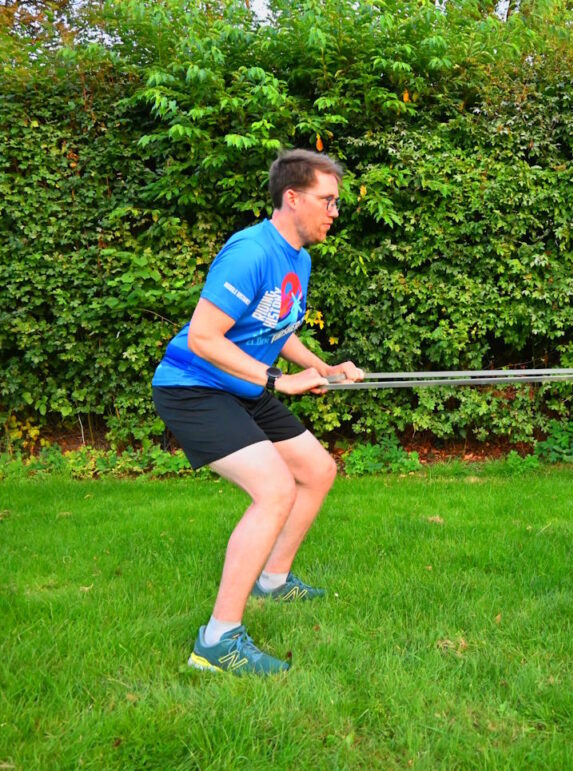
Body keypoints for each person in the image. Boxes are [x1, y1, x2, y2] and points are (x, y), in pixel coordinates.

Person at [152, 149, 364, 675]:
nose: (334, 211)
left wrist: (323, 367)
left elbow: (278, 326)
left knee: (316, 470)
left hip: (240, 386)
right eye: (327, 200)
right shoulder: (250, 251)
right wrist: (277, 381)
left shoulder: (300, 258)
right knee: (274, 489)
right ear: (292, 198)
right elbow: (203, 338)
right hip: (193, 387)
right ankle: (217, 642)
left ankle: (273, 580)